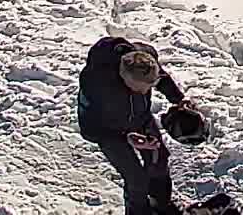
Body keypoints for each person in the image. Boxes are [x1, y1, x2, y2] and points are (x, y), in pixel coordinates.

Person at [78, 35, 200, 215]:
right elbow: (90, 130)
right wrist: (126, 137)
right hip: (108, 131)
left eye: (151, 86)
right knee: (136, 178)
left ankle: (161, 205)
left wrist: (179, 100)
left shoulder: (144, 59)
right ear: (124, 78)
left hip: (139, 118)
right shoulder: (97, 87)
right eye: (141, 88)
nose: (146, 91)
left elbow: (161, 78)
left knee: (159, 161)